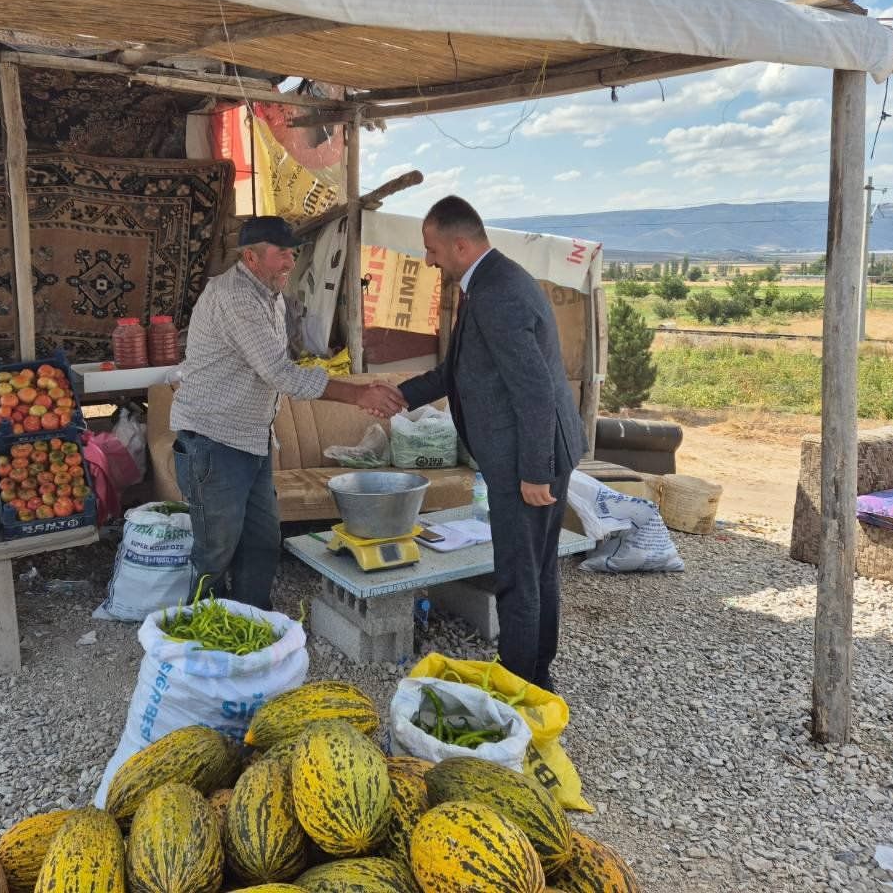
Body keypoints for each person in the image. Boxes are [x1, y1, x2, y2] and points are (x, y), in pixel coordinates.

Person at [395, 196, 585, 689]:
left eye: (432, 249)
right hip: (528, 449)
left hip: (527, 455)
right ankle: (538, 673)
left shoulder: (498, 292)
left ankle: (519, 687)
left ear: (460, 244)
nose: (429, 260)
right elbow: (456, 372)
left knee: (519, 577)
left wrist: (535, 472)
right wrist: (398, 395)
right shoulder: (486, 282)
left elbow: (535, 389)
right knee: (536, 570)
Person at [171, 216, 406, 609]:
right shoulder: (235, 297)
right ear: (250, 256)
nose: (290, 262)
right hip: (213, 440)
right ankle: (200, 633)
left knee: (263, 540)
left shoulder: (269, 293)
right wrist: (358, 393)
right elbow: (281, 373)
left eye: (292, 254)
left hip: (251, 439)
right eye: (281, 254)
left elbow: (280, 364)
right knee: (216, 549)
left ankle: (251, 618)